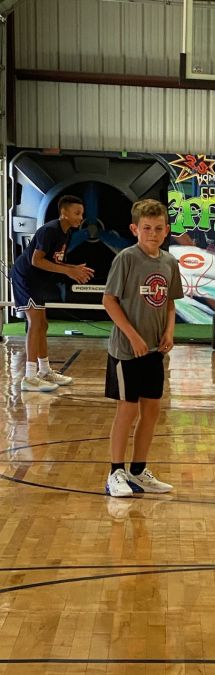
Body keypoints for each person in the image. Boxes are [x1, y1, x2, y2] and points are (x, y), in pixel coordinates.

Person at [102, 199, 183, 498]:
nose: (153, 233)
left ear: (167, 230)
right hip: (127, 350)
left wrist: (169, 331)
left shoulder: (169, 262)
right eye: (147, 228)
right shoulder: (126, 259)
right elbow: (109, 301)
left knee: (152, 410)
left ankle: (138, 470)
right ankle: (115, 473)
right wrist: (133, 336)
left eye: (159, 228)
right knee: (128, 409)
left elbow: (170, 302)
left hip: (154, 351)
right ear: (135, 229)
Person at [10, 194, 94, 392]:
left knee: (43, 324)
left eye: (82, 214)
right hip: (25, 277)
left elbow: (54, 261)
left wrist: (73, 268)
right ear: (64, 213)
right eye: (77, 213)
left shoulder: (66, 233)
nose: (81, 218)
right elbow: (36, 260)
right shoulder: (49, 230)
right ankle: (29, 377)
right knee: (35, 323)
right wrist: (68, 271)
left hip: (36, 280)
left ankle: (44, 370)